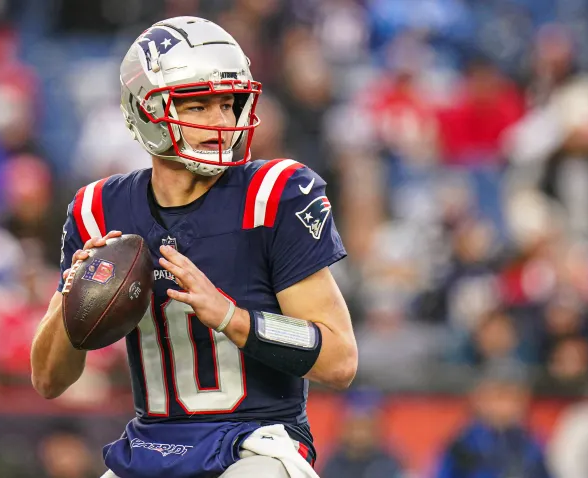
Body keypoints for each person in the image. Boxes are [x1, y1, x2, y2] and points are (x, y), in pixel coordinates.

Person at [30, 16, 358, 478]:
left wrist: (232, 317)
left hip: (257, 446)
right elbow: (48, 380)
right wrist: (75, 297)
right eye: (198, 106)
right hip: (149, 448)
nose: (221, 121)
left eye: (228, 104)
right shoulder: (97, 210)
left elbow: (340, 358)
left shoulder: (273, 194)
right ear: (146, 109)